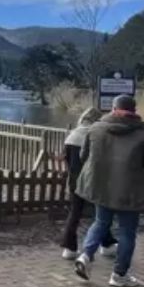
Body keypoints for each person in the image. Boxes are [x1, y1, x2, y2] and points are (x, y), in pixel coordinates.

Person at [74, 94, 144, 287]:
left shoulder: (95, 128)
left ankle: (86, 255)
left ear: (113, 109)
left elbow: (83, 156)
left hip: (102, 187)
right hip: (130, 191)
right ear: (134, 111)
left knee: (100, 222)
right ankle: (119, 275)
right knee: (127, 232)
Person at [59, 107, 117, 261]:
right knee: (100, 214)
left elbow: (66, 158)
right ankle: (107, 245)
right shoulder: (95, 135)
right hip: (92, 179)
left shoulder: (72, 135)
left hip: (73, 180)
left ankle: (69, 247)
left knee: (75, 213)